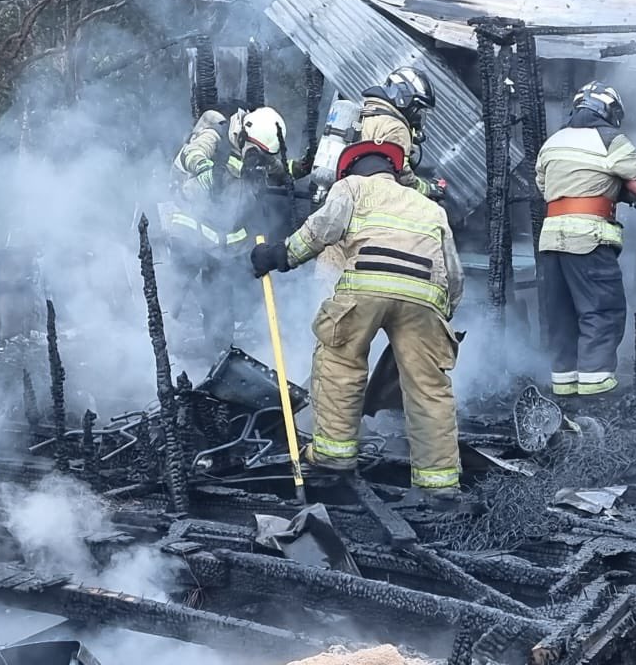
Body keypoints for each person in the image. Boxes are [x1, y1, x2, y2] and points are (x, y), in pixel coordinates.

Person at [250, 139, 465, 498]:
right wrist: (444, 314)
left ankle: (333, 454)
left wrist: (277, 257)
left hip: (365, 287)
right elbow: (454, 274)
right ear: (394, 172)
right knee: (429, 388)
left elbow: (321, 231)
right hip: (425, 298)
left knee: (340, 363)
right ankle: (439, 485)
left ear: (349, 169)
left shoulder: (350, 187)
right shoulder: (430, 208)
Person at [535, 81, 636, 398]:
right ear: (609, 110)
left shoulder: (552, 142)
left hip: (551, 241)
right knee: (601, 312)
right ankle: (595, 391)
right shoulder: (610, 138)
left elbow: (544, 187)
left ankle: (564, 387)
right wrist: (618, 189)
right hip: (588, 240)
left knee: (562, 315)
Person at [162, 106, 292, 348]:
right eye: (255, 150)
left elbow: (280, 169)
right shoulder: (216, 136)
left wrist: (300, 168)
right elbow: (192, 153)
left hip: (221, 245)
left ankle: (220, 359)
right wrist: (203, 168)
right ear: (244, 135)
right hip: (190, 233)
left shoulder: (261, 159)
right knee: (173, 295)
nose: (257, 157)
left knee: (219, 303)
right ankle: (151, 349)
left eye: (263, 154)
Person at [359, 66, 446, 202]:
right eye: (418, 108)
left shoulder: (370, 112)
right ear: (405, 98)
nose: (418, 115)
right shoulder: (396, 127)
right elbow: (403, 175)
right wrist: (429, 189)